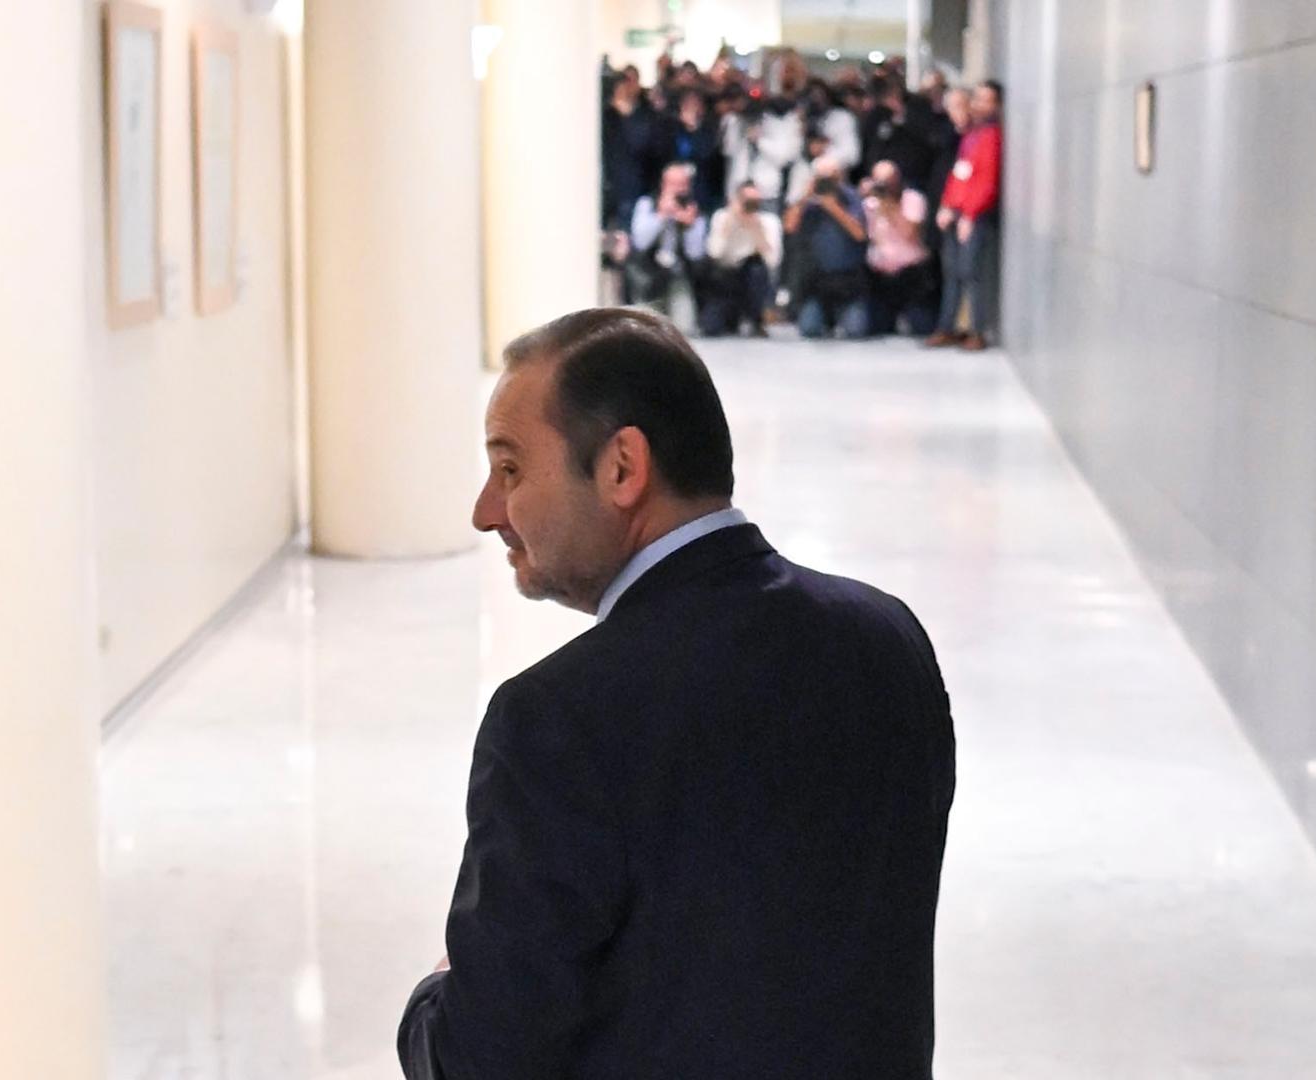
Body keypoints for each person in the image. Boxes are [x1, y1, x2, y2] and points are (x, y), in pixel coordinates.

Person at [399, 307, 956, 1080]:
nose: (486, 511)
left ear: (623, 467)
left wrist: (436, 992)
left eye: (511, 469)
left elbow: (481, 1058)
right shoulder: (887, 639)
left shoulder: (560, 717)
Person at [928, 81, 1003, 350]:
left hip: (975, 215)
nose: (980, 105)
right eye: (978, 99)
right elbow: (959, 174)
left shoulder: (992, 136)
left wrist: (970, 215)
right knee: (953, 272)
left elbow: (987, 181)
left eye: (987, 100)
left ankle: (977, 330)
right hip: (957, 212)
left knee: (972, 273)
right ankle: (946, 326)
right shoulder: (973, 135)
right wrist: (947, 205)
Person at [784, 156, 871, 339]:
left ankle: (842, 315)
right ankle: (824, 317)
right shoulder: (808, 201)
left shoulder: (851, 197)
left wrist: (833, 207)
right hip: (817, 280)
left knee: (856, 331)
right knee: (809, 329)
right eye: (822, 177)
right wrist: (805, 197)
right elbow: (790, 227)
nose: (827, 182)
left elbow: (859, 234)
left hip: (847, 279)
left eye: (831, 177)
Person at [626, 163, 708, 327]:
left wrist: (689, 228)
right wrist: (661, 215)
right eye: (673, 184)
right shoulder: (647, 204)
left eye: (682, 184)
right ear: (663, 184)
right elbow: (640, 243)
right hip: (648, 275)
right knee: (643, 327)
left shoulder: (695, 210)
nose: (678, 189)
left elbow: (696, 255)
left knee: (685, 327)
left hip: (677, 276)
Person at [699, 181, 783, 337]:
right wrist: (730, 223)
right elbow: (714, 253)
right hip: (726, 278)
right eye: (746, 200)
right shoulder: (722, 216)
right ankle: (729, 317)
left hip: (752, 279)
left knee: (756, 269)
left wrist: (757, 230)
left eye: (754, 201)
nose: (749, 206)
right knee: (711, 328)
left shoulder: (768, 221)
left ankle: (756, 319)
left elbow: (773, 261)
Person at [862, 161, 936, 336]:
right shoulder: (869, 204)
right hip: (881, 274)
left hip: (911, 273)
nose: (884, 186)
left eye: (887, 180)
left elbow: (910, 234)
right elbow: (864, 236)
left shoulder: (913, 199)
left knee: (922, 327)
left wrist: (889, 208)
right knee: (875, 328)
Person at [602, 68, 663, 229]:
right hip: (608, 184)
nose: (627, 87)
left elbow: (643, 145)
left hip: (635, 186)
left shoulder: (646, 114)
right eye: (623, 82)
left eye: (631, 81)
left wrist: (627, 116)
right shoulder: (606, 114)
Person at [661, 88, 727, 218]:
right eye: (687, 104)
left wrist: (694, 129)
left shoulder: (709, 129)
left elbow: (706, 154)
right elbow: (662, 152)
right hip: (675, 187)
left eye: (695, 104)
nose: (691, 108)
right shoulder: (670, 127)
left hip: (700, 189)